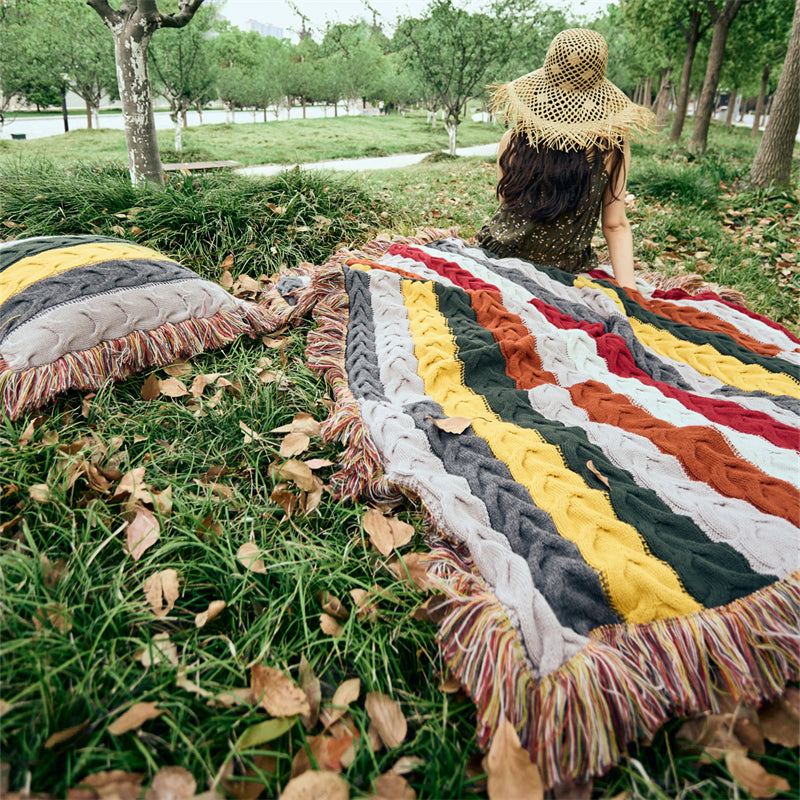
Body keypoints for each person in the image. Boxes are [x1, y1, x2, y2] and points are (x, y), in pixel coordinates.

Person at [476, 28, 654, 291]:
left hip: (500, 257)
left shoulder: (511, 139)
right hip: (563, 273)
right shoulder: (612, 147)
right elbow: (615, 226)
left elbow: (506, 205)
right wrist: (630, 294)